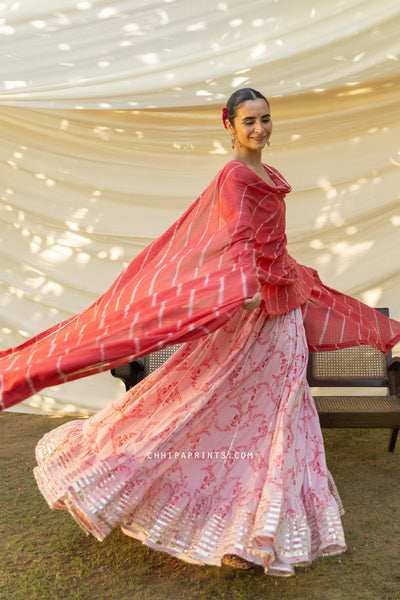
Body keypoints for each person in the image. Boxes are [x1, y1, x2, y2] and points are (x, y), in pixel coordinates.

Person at [2, 88, 400, 577]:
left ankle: (261, 528)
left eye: (266, 120)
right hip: (257, 309)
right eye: (249, 121)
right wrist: (247, 287)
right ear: (228, 124)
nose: (260, 129)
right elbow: (237, 239)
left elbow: (269, 241)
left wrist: (288, 280)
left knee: (281, 413)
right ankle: (203, 509)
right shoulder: (235, 176)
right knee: (215, 402)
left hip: (284, 312)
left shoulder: (267, 173)